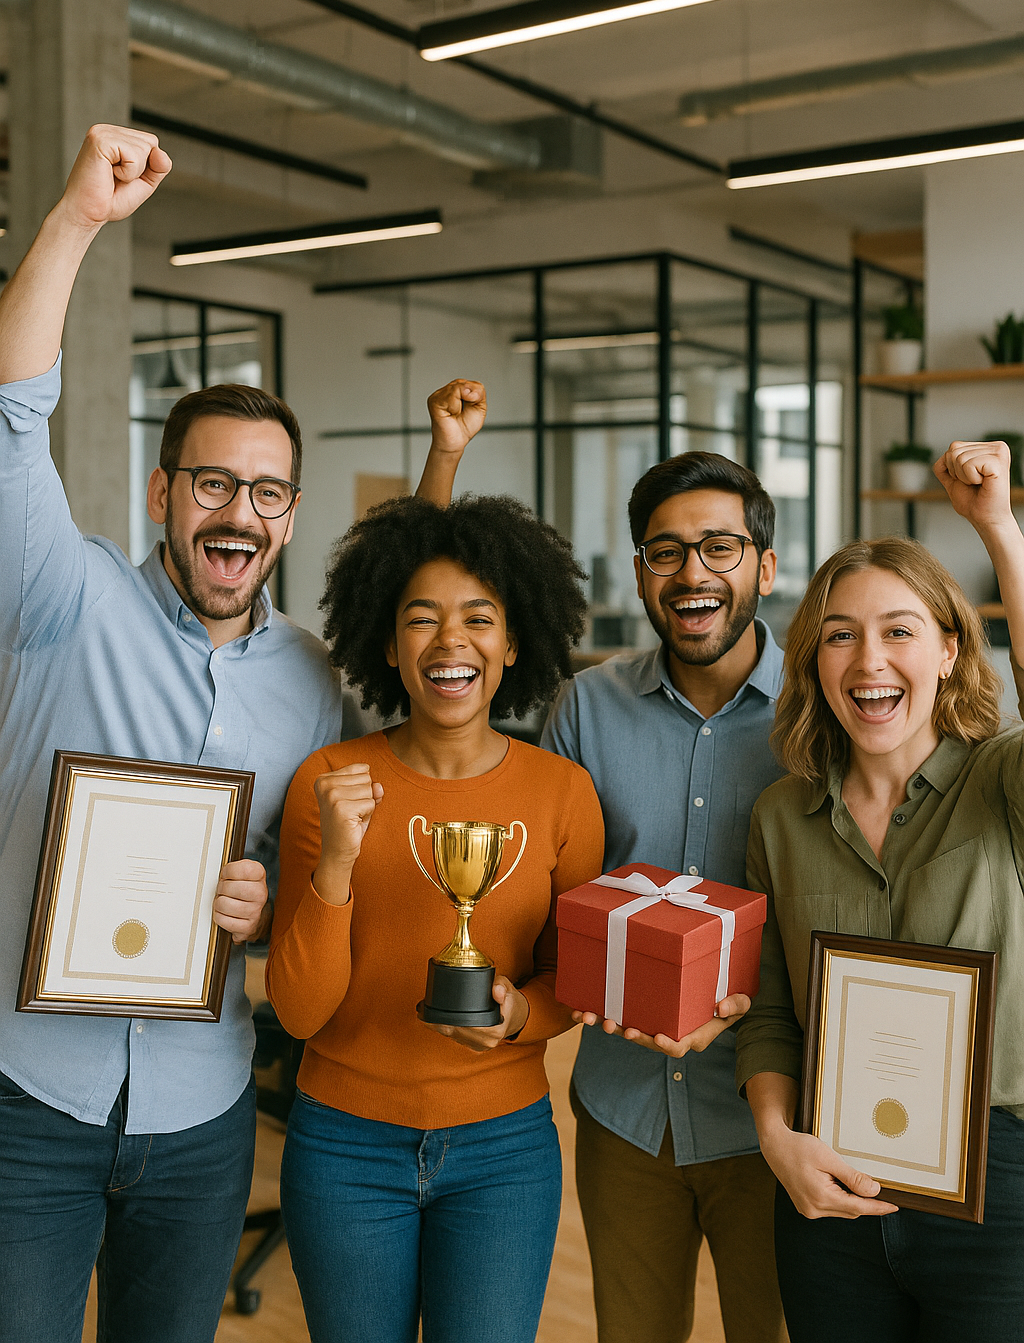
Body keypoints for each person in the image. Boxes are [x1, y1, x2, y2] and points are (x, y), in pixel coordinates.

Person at [0, 122, 486, 1343]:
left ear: (290, 515)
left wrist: (265, 901)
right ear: (162, 495)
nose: (239, 512)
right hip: (28, 1097)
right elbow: (11, 415)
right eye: (211, 483)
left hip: (200, 1112)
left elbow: (414, 645)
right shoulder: (67, 598)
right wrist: (74, 222)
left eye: (266, 491)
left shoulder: (311, 685)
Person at [265, 492, 605, 1343]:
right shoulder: (327, 780)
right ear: (388, 642)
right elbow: (302, 1010)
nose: (451, 642)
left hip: (503, 1153)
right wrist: (338, 862)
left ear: (514, 640)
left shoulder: (564, 793)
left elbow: (578, 979)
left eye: (478, 618)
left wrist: (522, 1014)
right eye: (422, 619)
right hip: (344, 1147)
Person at [737, 439, 1024, 1342]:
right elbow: (773, 1010)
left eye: (900, 630)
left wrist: (997, 528)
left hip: (998, 1182)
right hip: (830, 1181)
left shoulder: (1001, 781)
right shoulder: (781, 818)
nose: (870, 661)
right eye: (841, 634)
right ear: (815, 661)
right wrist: (780, 1143)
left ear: (949, 651)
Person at [541, 451, 786, 1343]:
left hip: (776, 1117)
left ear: (766, 565)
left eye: (721, 548)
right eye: (665, 552)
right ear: (642, 570)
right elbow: (557, 897)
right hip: (625, 1114)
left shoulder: (825, 706)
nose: (693, 574)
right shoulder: (586, 707)